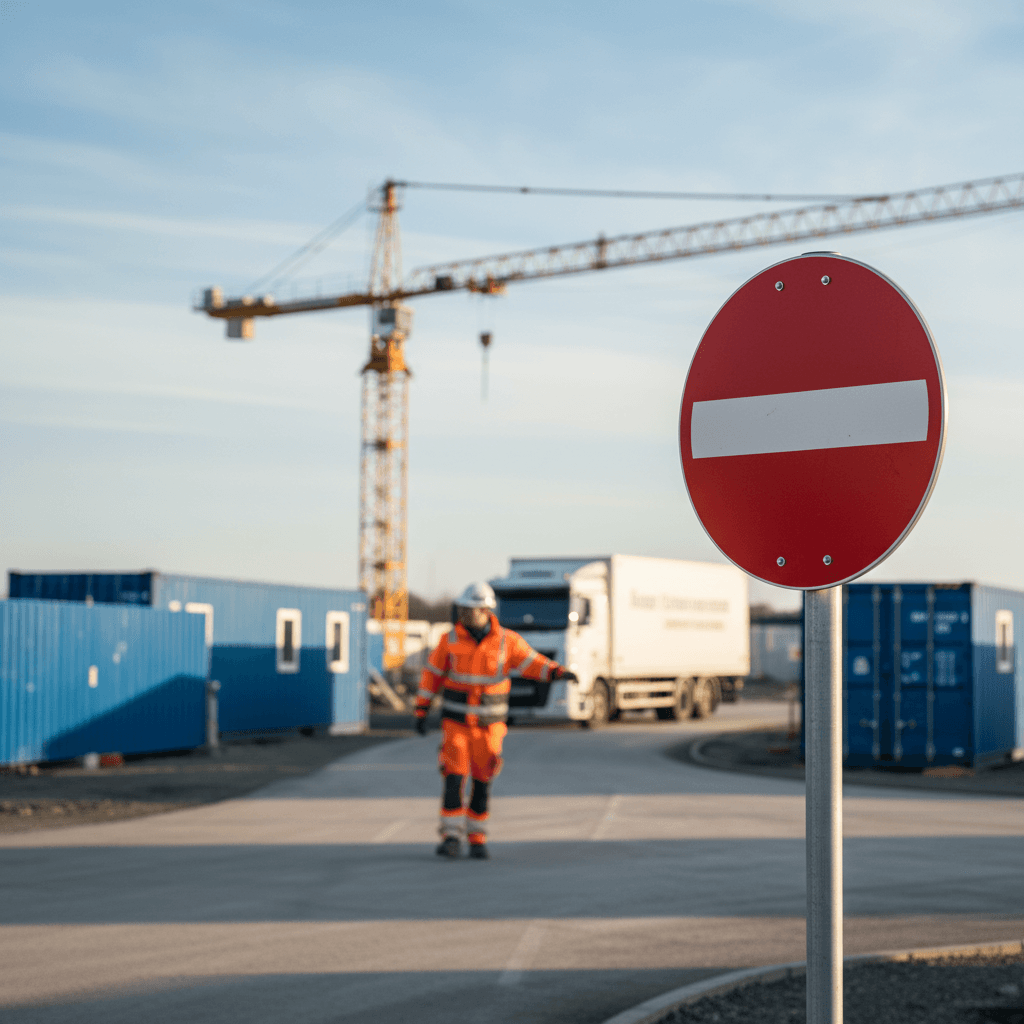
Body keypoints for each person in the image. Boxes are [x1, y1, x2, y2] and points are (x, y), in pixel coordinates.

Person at [414, 580, 575, 860]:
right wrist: (420, 710)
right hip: (457, 726)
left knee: (482, 782)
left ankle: (477, 838)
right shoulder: (449, 641)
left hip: (489, 730)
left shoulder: (507, 642)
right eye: (464, 609)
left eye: (472, 609)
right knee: (453, 779)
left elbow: (531, 662)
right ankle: (451, 837)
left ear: (486, 611)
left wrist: (557, 672)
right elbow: (431, 675)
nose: (466, 614)